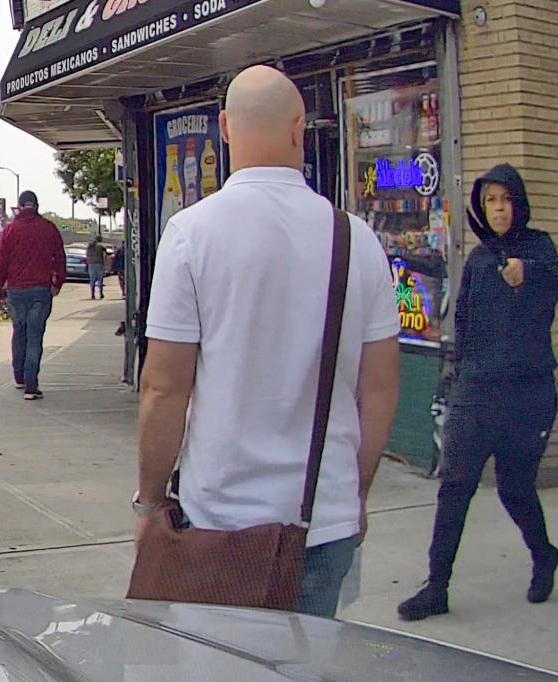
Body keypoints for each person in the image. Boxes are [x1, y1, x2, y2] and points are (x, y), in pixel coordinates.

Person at [132, 65, 400, 618]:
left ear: (224, 128)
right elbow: (378, 392)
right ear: (300, 126)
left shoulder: (191, 234)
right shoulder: (357, 239)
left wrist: (151, 500)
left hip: (218, 522)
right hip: (320, 520)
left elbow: (163, 390)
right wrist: (355, 495)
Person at [397, 163, 558, 621]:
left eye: (506, 199)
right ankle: (437, 587)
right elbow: (465, 325)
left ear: (519, 204)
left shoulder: (539, 249)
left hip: (528, 395)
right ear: (481, 207)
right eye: (490, 200)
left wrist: (525, 275)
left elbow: (554, 285)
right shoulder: (476, 259)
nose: (499, 209)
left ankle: (543, 554)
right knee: (454, 487)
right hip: (477, 391)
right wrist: (454, 381)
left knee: (515, 488)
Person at [0, 191, 67, 401]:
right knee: (35, 336)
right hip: (41, 291)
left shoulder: (10, 230)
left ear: (19, 206)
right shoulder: (48, 228)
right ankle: (31, 386)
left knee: (19, 332)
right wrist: (58, 282)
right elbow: (60, 257)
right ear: (37, 205)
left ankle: (19, 377)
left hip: (16, 291)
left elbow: (0, 264)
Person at [86, 236, 106, 300]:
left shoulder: (89, 246)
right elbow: (105, 254)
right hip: (99, 263)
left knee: (92, 280)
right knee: (100, 279)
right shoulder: (101, 246)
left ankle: (92, 294)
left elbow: (87, 254)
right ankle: (101, 293)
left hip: (91, 264)